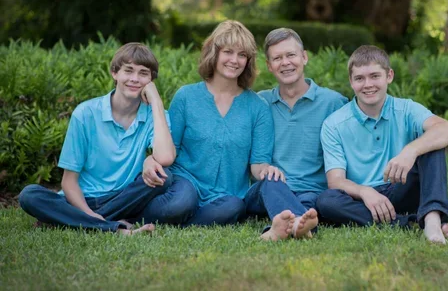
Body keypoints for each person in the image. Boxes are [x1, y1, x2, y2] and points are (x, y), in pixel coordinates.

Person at [19, 43, 196, 235]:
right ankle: (114, 228)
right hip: (82, 199)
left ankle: (64, 220)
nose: (135, 79)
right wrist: (90, 215)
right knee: (30, 195)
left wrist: (157, 102)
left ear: (151, 80)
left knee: (164, 176)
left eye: (143, 73)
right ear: (114, 73)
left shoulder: (156, 115)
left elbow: (165, 158)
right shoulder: (85, 114)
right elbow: (69, 183)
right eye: (128, 71)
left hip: (124, 199)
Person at [142, 20, 291, 230]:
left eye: (242, 55)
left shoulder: (258, 107)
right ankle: (166, 214)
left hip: (226, 195)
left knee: (233, 208)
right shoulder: (186, 96)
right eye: (228, 52)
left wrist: (268, 171)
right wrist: (149, 159)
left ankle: (184, 223)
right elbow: (169, 148)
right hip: (185, 182)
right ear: (214, 54)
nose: (235, 60)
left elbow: (258, 164)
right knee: (181, 202)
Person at [317, 45, 448, 244]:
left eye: (375, 76)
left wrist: (410, 150)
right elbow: (336, 181)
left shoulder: (406, 109)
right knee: (326, 201)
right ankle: (408, 221)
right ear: (351, 81)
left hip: (401, 187)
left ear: (389, 76)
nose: (368, 84)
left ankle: (433, 220)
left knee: (433, 144)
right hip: (363, 200)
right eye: (359, 78)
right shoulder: (334, 124)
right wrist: (365, 192)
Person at [244, 28, 348, 240]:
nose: (285, 62)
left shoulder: (334, 103)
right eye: (277, 58)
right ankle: (300, 224)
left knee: (311, 202)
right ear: (269, 66)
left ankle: (281, 229)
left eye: (291, 55)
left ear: (304, 57)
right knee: (272, 183)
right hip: (267, 190)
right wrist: (266, 170)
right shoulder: (259, 102)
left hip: (311, 191)